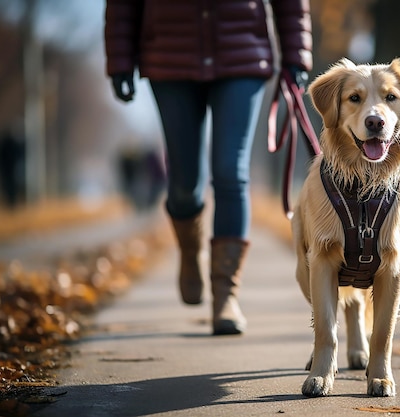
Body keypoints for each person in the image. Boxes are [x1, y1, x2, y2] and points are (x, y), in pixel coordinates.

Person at [104, 0, 313, 335]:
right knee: (185, 183)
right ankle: (191, 251)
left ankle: (226, 296)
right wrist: (119, 59)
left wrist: (296, 54)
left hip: (243, 51)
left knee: (231, 172)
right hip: (170, 54)